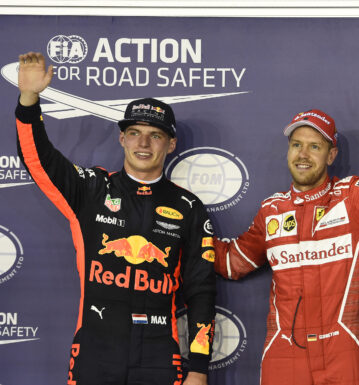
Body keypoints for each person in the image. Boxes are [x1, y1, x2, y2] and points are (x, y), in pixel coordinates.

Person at [213, 48, 359, 385]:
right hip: (284, 350)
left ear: (331, 154)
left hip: (342, 345)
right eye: (296, 145)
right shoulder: (271, 210)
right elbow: (233, 263)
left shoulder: (355, 198)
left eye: (314, 146)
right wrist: (179, 237)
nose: (303, 154)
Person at [15, 52, 216, 385]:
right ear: (121, 138)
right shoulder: (90, 188)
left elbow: (201, 291)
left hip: (158, 355)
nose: (143, 143)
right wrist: (29, 100)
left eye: (155, 135)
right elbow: (39, 160)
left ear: (171, 144)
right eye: (134, 132)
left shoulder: (188, 207)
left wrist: (198, 368)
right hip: (95, 351)